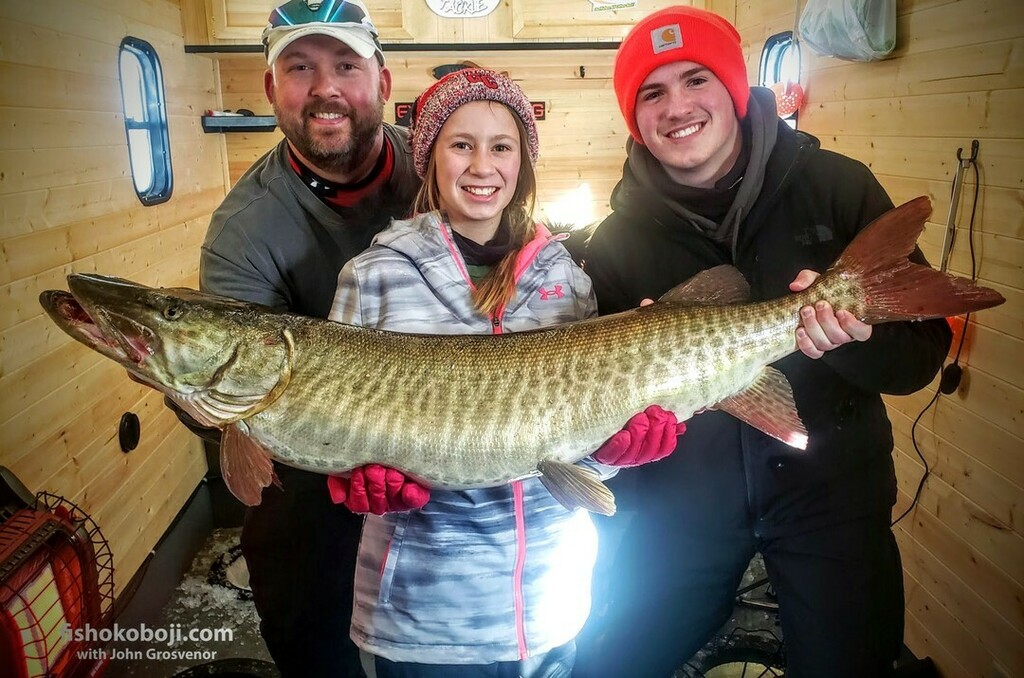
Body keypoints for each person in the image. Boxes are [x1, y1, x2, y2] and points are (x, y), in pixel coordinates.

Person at [572, 7, 953, 678]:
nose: (677, 106)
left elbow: (921, 357)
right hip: (678, 519)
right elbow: (591, 410)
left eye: (695, 79)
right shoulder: (615, 246)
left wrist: (853, 340)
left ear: (736, 89)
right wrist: (618, 443)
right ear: (634, 119)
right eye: (651, 93)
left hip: (830, 503)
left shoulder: (837, 188)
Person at [327, 67, 686, 678]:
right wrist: (356, 477)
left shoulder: (567, 280)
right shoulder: (373, 276)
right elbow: (336, 419)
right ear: (431, 158)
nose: (481, 165)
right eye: (460, 144)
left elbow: (573, 442)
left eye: (501, 146)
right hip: (425, 622)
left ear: (522, 161)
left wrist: (614, 452)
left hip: (552, 608)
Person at [179, 1, 420, 675]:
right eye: (300, 68)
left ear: (383, 82)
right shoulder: (245, 231)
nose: (325, 88)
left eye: (346, 65)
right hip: (313, 488)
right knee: (318, 647)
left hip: (449, 472)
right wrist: (186, 393)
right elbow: (231, 390)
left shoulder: (446, 169)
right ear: (270, 89)